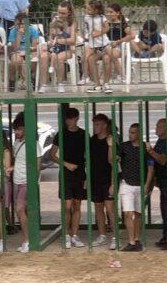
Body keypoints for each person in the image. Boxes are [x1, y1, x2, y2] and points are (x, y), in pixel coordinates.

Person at [49, 107, 87, 248]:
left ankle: (74, 235)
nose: (69, 121)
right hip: (66, 173)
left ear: (77, 118)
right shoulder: (61, 134)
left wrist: (87, 175)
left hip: (80, 173)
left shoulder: (83, 134)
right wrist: (66, 164)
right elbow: (52, 155)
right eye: (67, 119)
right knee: (67, 206)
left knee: (77, 205)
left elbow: (88, 155)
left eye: (71, 118)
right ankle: (66, 235)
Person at [118, 123, 154, 251]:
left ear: (139, 133)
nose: (130, 134)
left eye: (133, 132)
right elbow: (113, 161)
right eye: (129, 132)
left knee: (138, 213)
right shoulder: (124, 146)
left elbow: (150, 167)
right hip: (126, 183)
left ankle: (137, 239)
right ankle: (131, 241)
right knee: (128, 213)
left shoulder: (145, 147)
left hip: (141, 184)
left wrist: (147, 185)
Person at [145, 118, 167, 250]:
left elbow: (162, 160)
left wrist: (150, 151)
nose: (156, 128)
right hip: (164, 180)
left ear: (166, 128)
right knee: (165, 209)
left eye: (159, 126)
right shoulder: (161, 141)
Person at [12, 116, 42, 253]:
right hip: (17, 181)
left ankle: (27, 241)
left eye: (19, 129)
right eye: (15, 130)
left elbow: (37, 163)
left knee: (19, 210)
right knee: (25, 211)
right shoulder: (17, 143)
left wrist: (33, 180)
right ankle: (29, 239)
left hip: (26, 182)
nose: (16, 132)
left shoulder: (33, 143)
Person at [88, 113, 114, 248]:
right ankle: (102, 235)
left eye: (97, 124)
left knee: (110, 208)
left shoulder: (111, 140)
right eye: (94, 124)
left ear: (104, 125)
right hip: (95, 179)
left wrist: (113, 182)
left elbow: (112, 162)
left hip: (108, 179)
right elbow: (88, 161)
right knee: (98, 207)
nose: (95, 127)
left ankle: (115, 237)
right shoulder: (92, 141)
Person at [39, 0, 76, 93]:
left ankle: (60, 83)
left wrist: (59, 41)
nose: (60, 14)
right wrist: (52, 41)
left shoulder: (72, 23)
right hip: (54, 48)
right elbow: (51, 37)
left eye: (63, 13)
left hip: (67, 49)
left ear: (69, 13)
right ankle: (44, 84)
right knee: (43, 56)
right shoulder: (54, 20)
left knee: (59, 58)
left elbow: (72, 40)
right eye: (58, 12)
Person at [83, 0, 112, 94]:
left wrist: (98, 33)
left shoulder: (102, 18)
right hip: (93, 45)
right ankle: (97, 84)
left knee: (107, 59)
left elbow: (107, 28)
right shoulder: (86, 18)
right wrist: (88, 35)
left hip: (103, 44)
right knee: (89, 60)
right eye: (86, 9)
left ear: (96, 10)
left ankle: (106, 84)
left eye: (89, 9)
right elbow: (87, 29)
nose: (87, 11)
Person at [7, 12, 39, 91]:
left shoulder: (33, 30)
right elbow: (15, 48)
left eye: (22, 24)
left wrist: (27, 51)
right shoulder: (13, 31)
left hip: (30, 51)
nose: (20, 26)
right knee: (15, 61)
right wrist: (18, 35)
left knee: (31, 60)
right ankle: (12, 79)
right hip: (17, 51)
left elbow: (34, 47)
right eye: (18, 24)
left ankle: (32, 79)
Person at [106, 3, 132, 82]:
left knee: (109, 52)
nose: (108, 14)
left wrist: (118, 41)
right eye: (107, 12)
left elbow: (131, 35)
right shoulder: (106, 24)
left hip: (118, 47)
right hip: (107, 46)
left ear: (117, 13)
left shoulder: (122, 24)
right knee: (106, 56)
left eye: (111, 12)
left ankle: (121, 75)